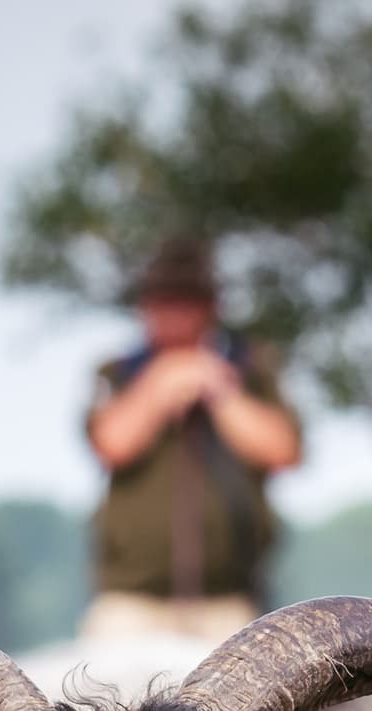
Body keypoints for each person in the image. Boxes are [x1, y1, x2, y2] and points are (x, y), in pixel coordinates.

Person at [80, 237, 304, 644]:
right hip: (132, 603)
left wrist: (219, 389)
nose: (173, 315)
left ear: (211, 308)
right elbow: (111, 444)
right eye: (162, 302)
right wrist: (160, 385)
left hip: (231, 602)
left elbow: (283, 450)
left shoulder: (252, 370)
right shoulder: (117, 373)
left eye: (186, 302)